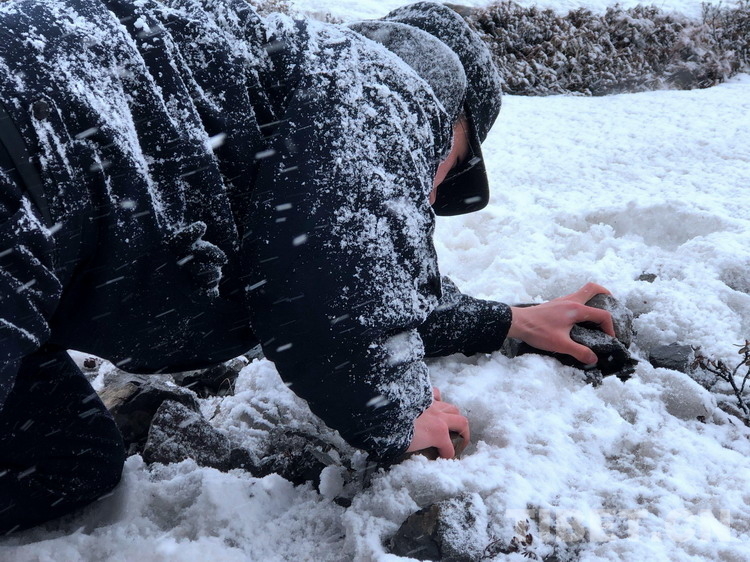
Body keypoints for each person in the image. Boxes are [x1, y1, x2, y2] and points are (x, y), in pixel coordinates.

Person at [0, 0, 614, 534]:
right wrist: (398, 409)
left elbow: (368, 280)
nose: (430, 196)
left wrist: (507, 320)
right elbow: (333, 294)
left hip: (36, 201)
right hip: (20, 171)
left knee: (66, 460)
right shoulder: (380, 83)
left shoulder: (282, 93)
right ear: (446, 112)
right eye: (450, 167)